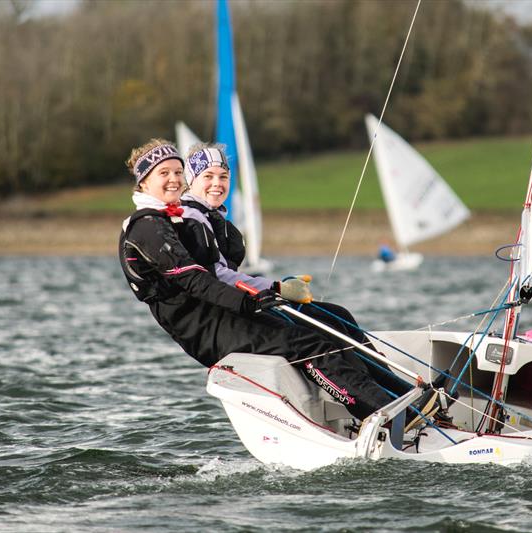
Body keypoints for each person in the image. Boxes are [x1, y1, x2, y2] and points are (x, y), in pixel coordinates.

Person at [118, 139, 436, 428]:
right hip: (209, 330)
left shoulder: (168, 218)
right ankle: (386, 413)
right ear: (144, 181)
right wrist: (257, 297)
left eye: (177, 171)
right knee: (312, 344)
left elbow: (218, 275)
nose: (174, 179)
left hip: (224, 315)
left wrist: (273, 290)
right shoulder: (150, 227)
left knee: (333, 320)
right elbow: (198, 281)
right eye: (164, 173)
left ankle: (402, 397)